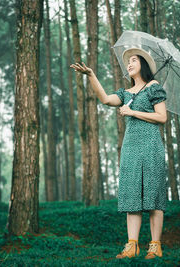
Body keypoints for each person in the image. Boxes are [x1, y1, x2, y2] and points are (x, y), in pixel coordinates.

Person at [70, 47, 167, 260]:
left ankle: (155, 246)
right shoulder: (126, 93)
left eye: (133, 60)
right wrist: (91, 75)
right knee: (132, 196)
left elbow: (162, 117)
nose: (129, 64)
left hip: (150, 146)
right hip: (130, 148)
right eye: (128, 62)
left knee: (152, 197)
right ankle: (132, 246)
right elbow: (105, 99)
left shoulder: (153, 87)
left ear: (143, 64)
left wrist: (132, 112)